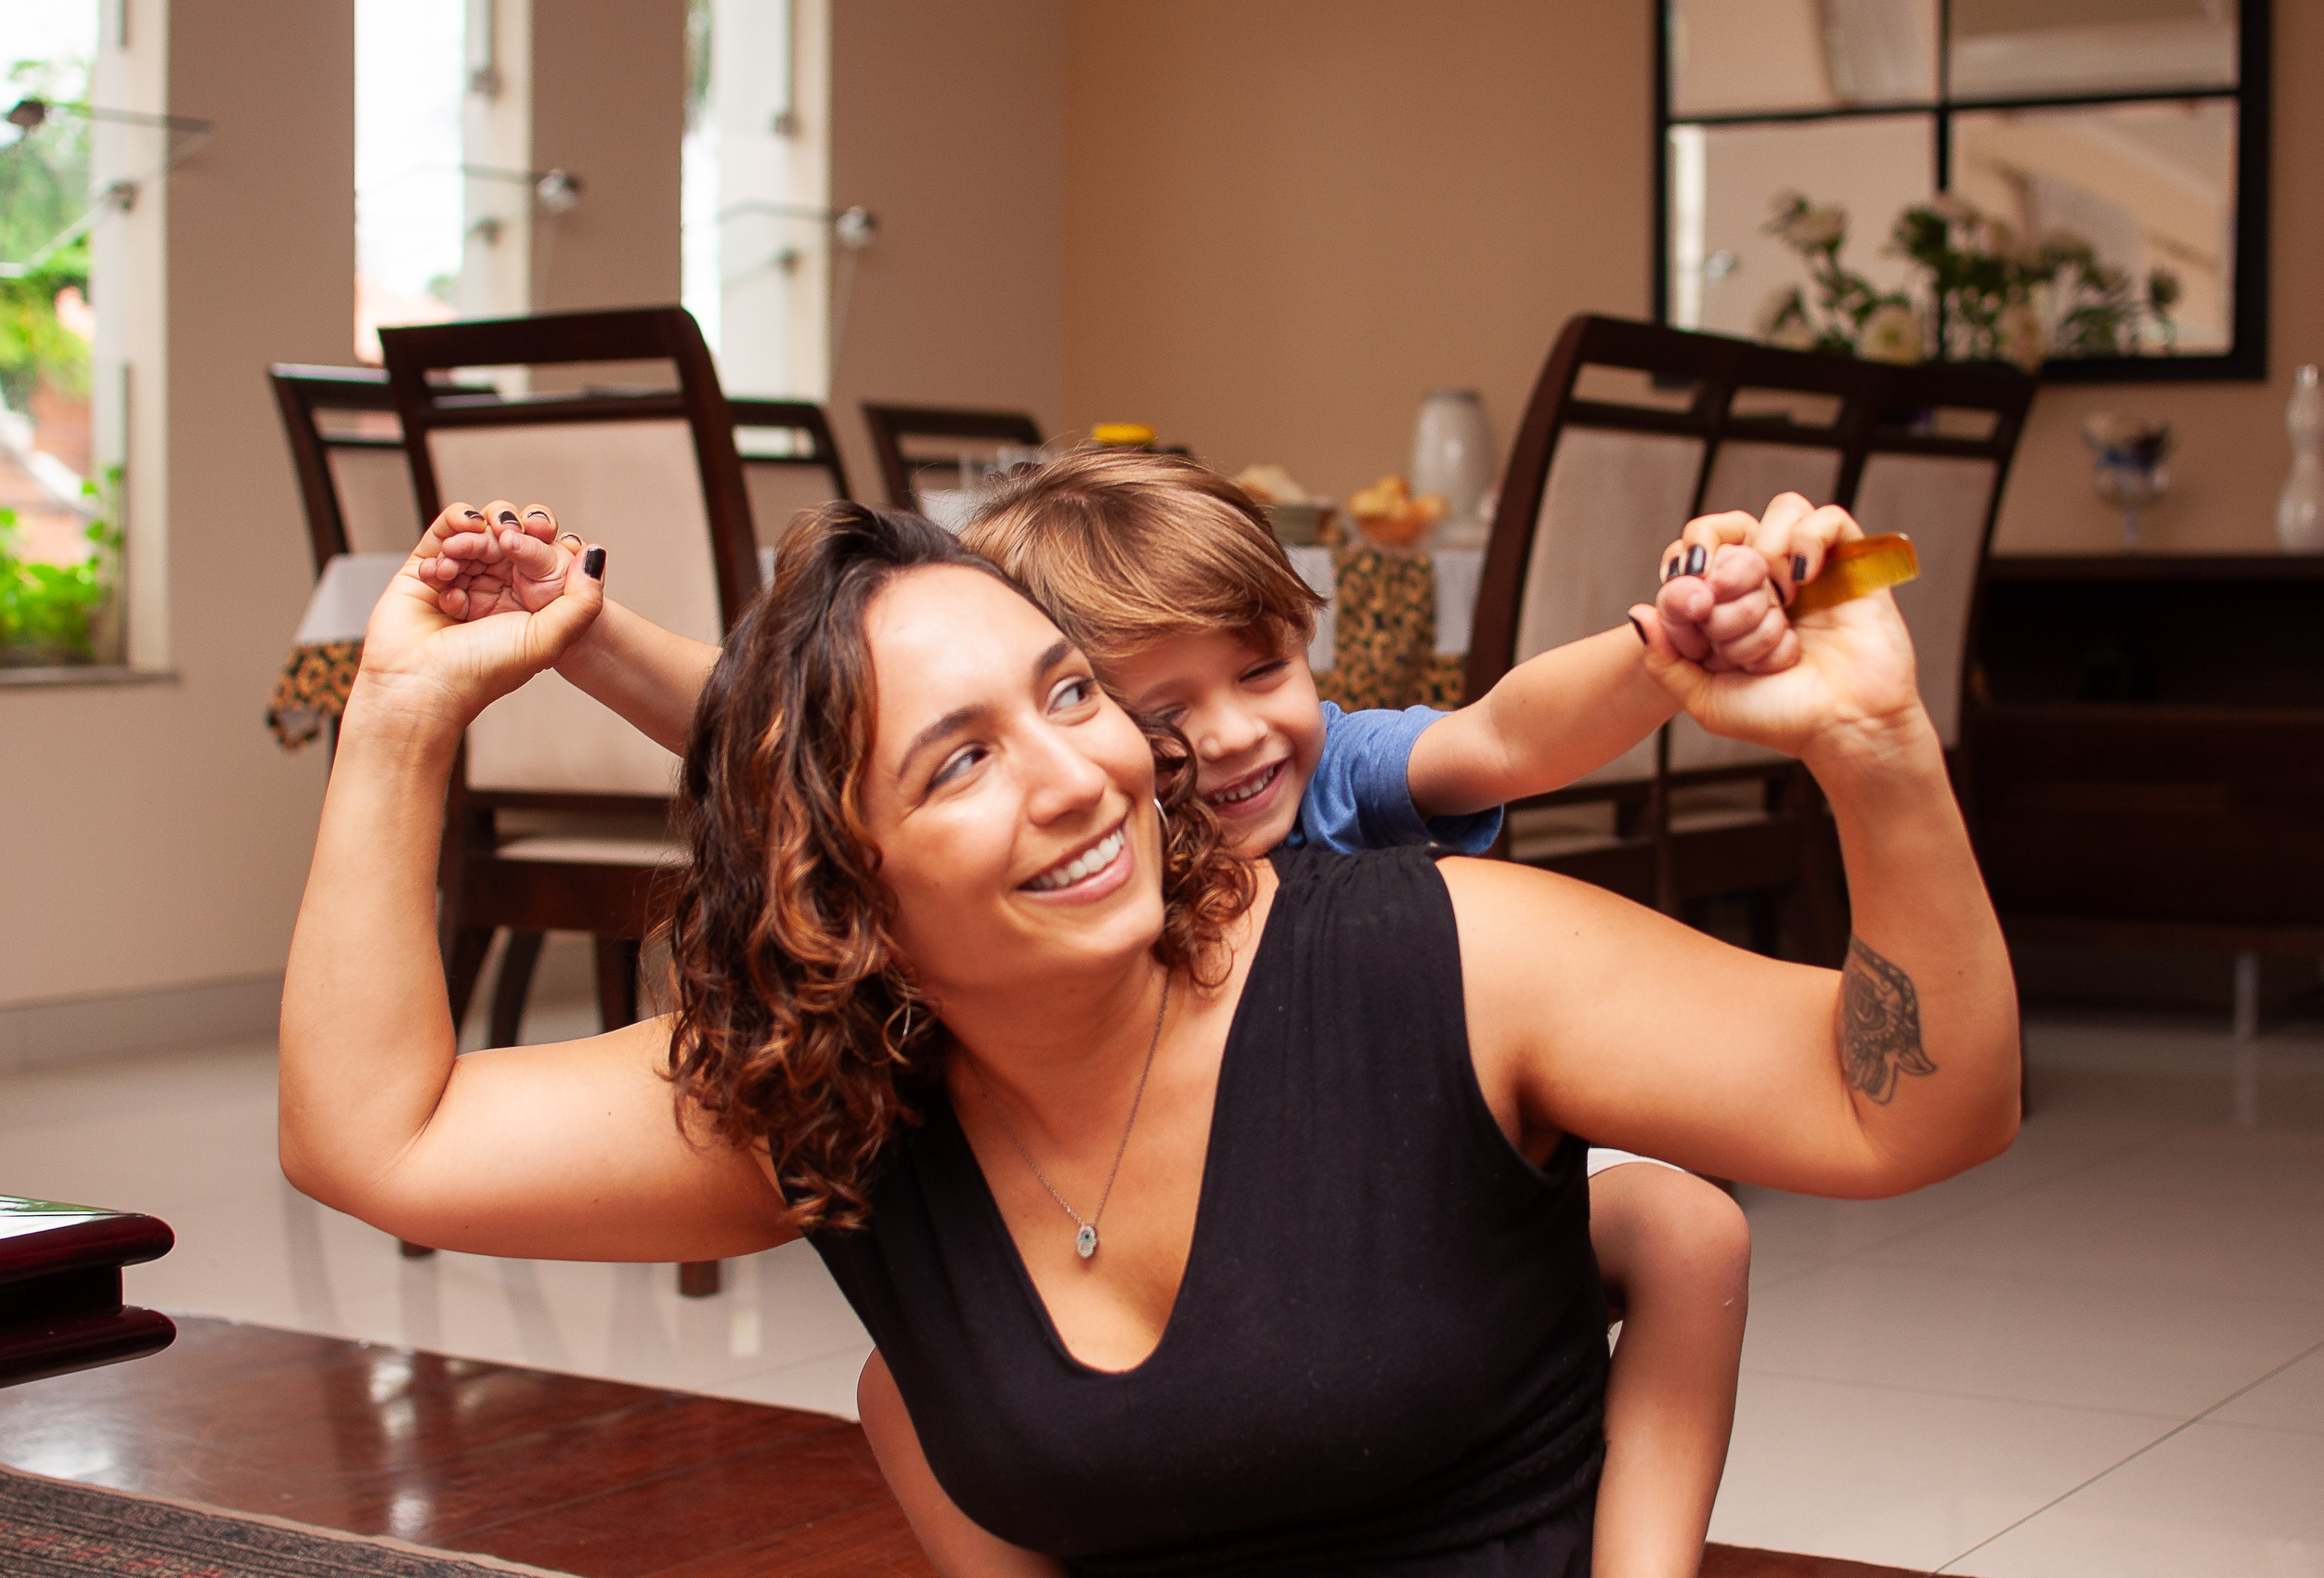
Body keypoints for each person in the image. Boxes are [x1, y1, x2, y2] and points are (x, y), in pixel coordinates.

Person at [282, 492, 2020, 1576]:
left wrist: (1874, 753)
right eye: (959, 759)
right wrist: (403, 712)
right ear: (850, 890)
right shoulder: (840, 1097)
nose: (1082, 774)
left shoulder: (1444, 961)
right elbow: (377, 1138)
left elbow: (1914, 1117)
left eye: (1066, 695)